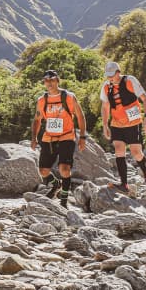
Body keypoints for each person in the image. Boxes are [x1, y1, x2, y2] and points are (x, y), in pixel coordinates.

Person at [30, 70, 87, 208]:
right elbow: (37, 120)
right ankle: (56, 184)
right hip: (49, 138)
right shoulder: (42, 100)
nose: (49, 83)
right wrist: (34, 138)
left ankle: (64, 200)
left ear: (57, 81)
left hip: (66, 136)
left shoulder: (69, 97)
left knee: (64, 169)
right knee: (43, 171)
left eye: (52, 80)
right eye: (46, 80)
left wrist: (82, 137)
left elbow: (80, 116)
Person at [100, 61, 146, 194]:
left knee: (136, 153)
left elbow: (145, 99)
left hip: (133, 122)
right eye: (108, 75)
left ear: (118, 72)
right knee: (119, 150)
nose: (110, 78)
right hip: (117, 124)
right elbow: (105, 107)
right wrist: (105, 125)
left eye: (112, 75)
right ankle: (124, 184)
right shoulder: (106, 87)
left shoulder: (130, 81)